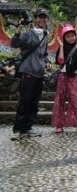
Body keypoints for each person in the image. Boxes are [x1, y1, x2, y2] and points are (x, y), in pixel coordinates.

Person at [11, 8, 51, 140]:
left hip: (39, 73)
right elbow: (14, 43)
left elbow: (44, 54)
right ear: (35, 19)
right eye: (40, 17)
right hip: (28, 70)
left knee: (34, 101)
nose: (42, 19)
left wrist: (47, 62)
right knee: (25, 100)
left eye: (44, 17)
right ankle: (19, 128)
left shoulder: (45, 35)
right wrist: (19, 28)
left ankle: (28, 127)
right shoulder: (28, 34)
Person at [51, 24, 77, 134]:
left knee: (76, 100)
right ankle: (59, 125)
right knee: (60, 100)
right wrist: (61, 46)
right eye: (68, 36)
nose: (71, 38)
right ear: (64, 38)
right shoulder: (62, 47)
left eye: (72, 36)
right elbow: (61, 61)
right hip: (62, 75)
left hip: (74, 76)